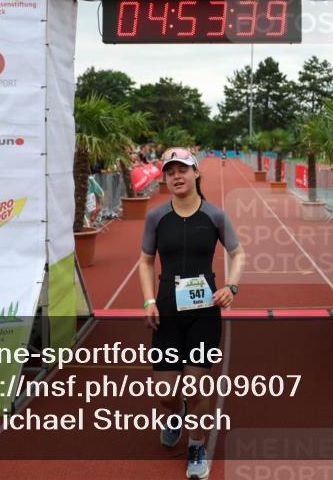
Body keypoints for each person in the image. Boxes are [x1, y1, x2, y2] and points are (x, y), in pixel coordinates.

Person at [136, 147, 245, 480]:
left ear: (196, 173)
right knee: (167, 395)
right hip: (167, 311)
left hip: (204, 313)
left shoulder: (214, 216)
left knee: (195, 386)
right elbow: (145, 261)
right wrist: (148, 301)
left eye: (182, 169)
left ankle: (196, 444)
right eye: (170, 172)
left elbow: (238, 254)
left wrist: (232, 287)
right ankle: (173, 417)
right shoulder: (156, 217)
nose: (176, 176)